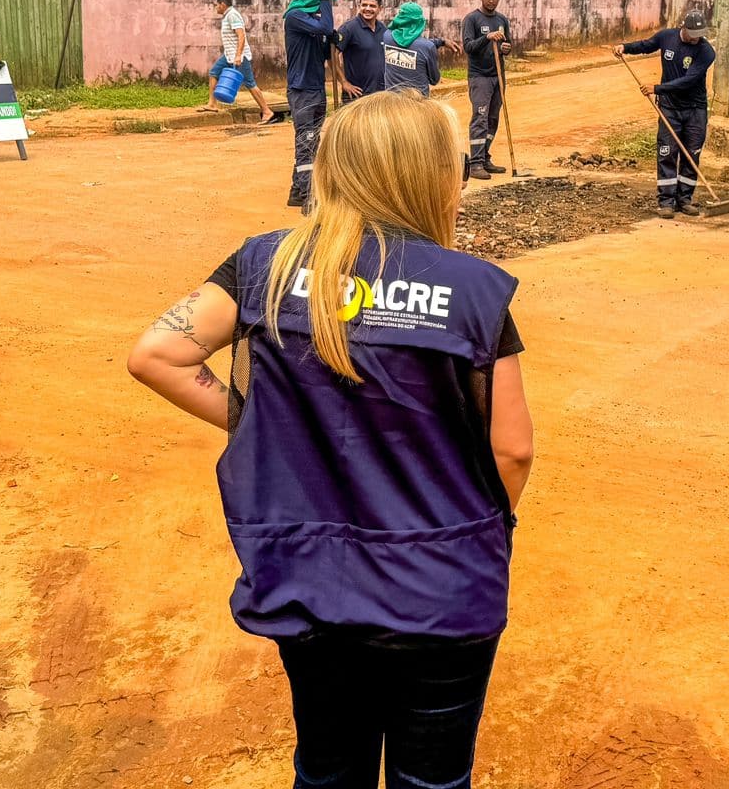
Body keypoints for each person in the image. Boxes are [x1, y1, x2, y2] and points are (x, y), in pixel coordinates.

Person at [128, 91, 533, 789]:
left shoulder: (267, 266)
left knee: (327, 767)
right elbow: (512, 451)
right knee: (432, 779)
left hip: (308, 582)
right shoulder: (473, 291)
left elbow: (156, 354)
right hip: (442, 587)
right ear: (431, 176)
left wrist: (255, 422)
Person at [614, 10, 717, 219]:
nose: (696, 37)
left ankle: (685, 199)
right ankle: (666, 201)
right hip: (669, 108)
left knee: (692, 153)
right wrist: (625, 47)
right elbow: (646, 45)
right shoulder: (666, 37)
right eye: (692, 33)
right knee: (666, 152)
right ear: (683, 27)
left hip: (695, 109)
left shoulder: (707, 51)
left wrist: (657, 88)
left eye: (700, 33)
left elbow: (689, 80)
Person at [283, 0, 339, 208]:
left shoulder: (313, 22)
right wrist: (325, 2)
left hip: (316, 87)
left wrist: (334, 40)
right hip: (302, 89)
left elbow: (325, 46)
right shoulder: (295, 16)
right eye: (325, 1)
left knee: (311, 141)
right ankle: (308, 195)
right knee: (306, 142)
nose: (328, 6)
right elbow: (324, 27)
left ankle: (297, 191)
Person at [461, 0, 512, 180]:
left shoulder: (502, 20)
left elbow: (507, 44)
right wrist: (487, 38)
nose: (491, 1)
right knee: (480, 118)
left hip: (497, 75)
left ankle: (484, 157)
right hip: (479, 76)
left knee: (493, 118)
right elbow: (468, 47)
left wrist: (506, 48)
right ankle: (475, 164)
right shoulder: (472, 19)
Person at [203, 0, 281, 124]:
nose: (215, 8)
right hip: (229, 55)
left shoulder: (233, 15)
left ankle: (267, 111)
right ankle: (212, 104)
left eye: (216, 5)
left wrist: (238, 55)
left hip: (239, 56)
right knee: (214, 73)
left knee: (250, 83)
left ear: (222, 4)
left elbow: (241, 35)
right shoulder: (227, 16)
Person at [381, 1, 451, 96]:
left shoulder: (387, 36)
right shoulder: (427, 47)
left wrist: (440, 42)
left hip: (392, 101)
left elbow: (411, 43)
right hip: (417, 104)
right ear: (420, 21)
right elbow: (434, 80)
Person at [335, 0, 389, 100]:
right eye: (364, 5)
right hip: (357, 95)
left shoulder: (383, 29)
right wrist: (344, 83)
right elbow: (332, 56)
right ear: (359, 6)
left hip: (379, 95)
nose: (367, 9)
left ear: (380, 8)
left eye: (372, 6)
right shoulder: (348, 28)